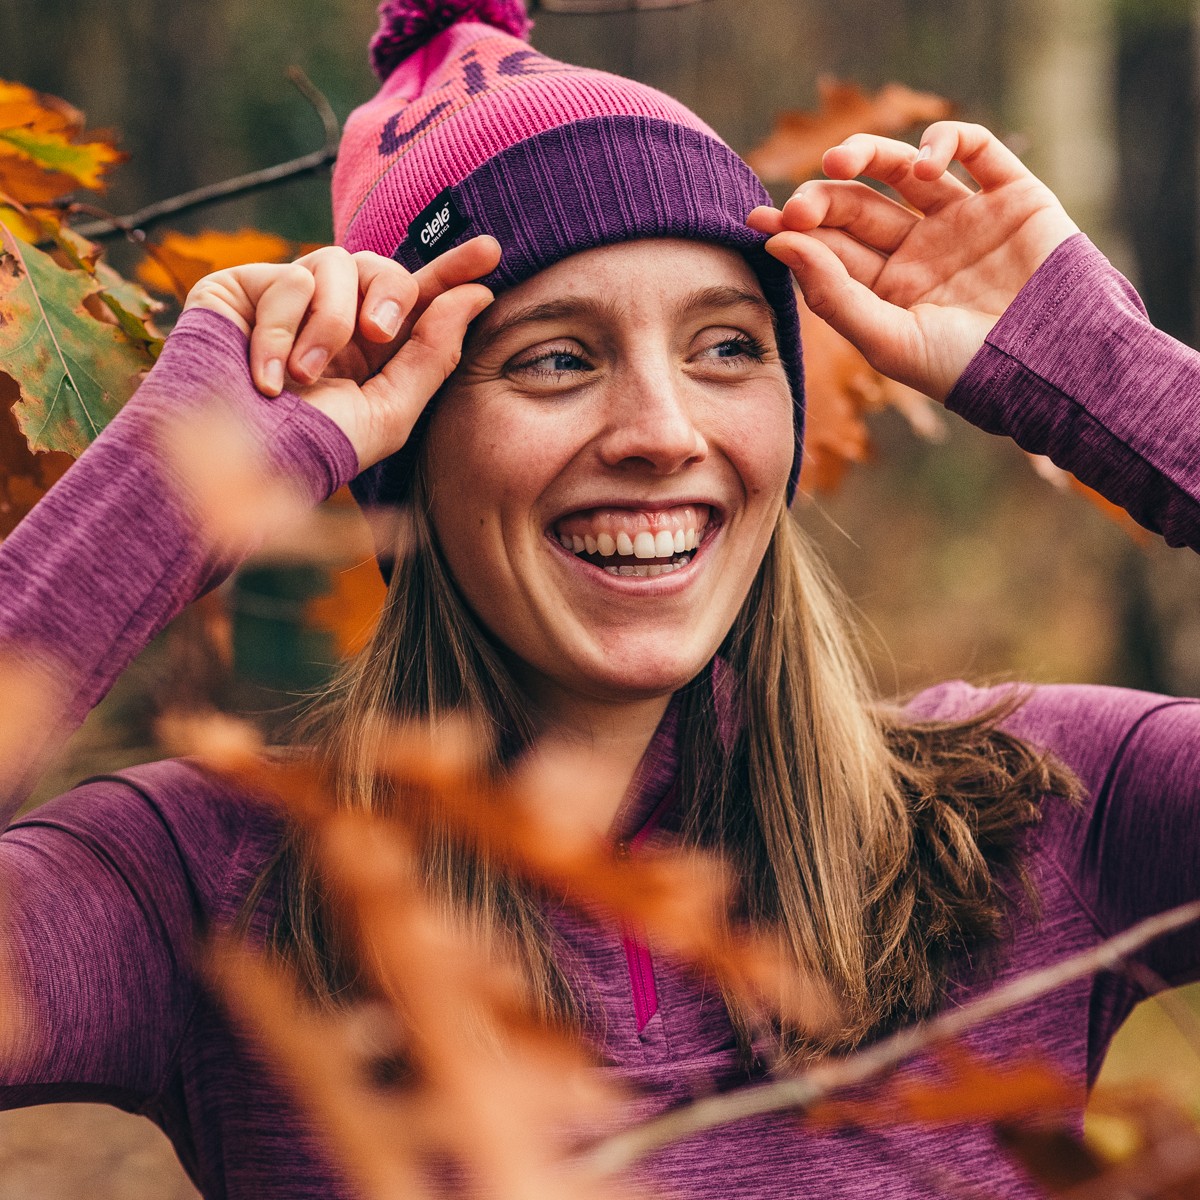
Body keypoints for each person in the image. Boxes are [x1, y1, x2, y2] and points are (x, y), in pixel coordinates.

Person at [0, 2, 1198, 1197]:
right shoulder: (214, 888)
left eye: (727, 347)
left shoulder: (1038, 814)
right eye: (556, 359)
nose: (663, 433)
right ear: (404, 441)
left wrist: (1107, 375)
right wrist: (164, 486)